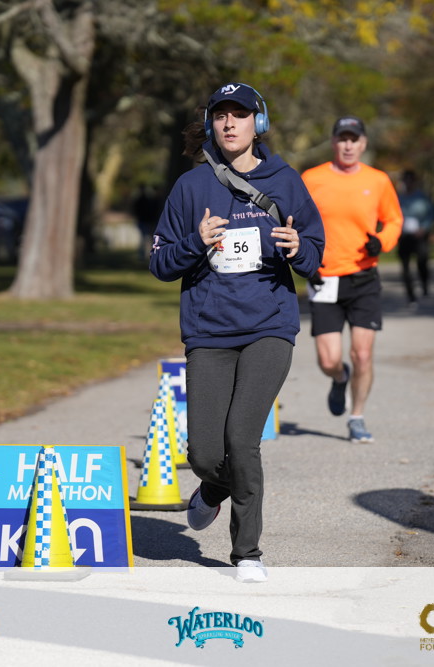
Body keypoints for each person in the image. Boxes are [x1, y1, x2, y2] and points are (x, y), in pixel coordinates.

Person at [149, 83, 324, 583]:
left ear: (257, 123)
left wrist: (298, 249)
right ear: (211, 124)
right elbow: (159, 263)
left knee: (242, 439)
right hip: (208, 332)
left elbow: (316, 254)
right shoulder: (191, 187)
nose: (230, 124)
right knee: (205, 453)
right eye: (221, 115)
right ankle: (212, 488)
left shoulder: (285, 181)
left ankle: (247, 553)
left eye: (240, 115)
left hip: (269, 327)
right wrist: (194, 242)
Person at [301, 117, 403, 444]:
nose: (348, 145)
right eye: (342, 139)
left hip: (363, 278)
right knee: (329, 360)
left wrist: (382, 242)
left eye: (354, 139)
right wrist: (305, 260)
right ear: (333, 142)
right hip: (324, 277)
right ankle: (339, 377)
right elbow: (296, 222)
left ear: (363, 144)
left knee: (362, 354)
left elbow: (394, 220)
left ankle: (357, 417)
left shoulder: (378, 180)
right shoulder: (311, 179)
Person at [396, 169, 434, 308]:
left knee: (422, 262)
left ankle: (424, 287)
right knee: (405, 267)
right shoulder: (398, 198)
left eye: (410, 180)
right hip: (404, 236)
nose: (408, 183)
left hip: (420, 236)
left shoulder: (422, 197)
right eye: (405, 180)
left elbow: (431, 214)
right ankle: (410, 295)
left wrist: (424, 228)